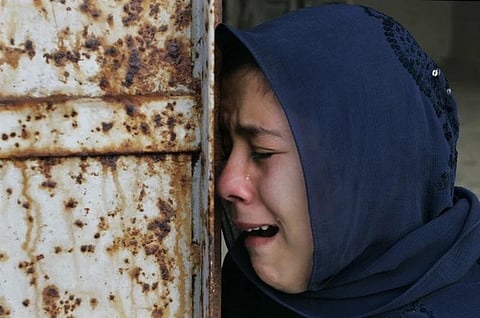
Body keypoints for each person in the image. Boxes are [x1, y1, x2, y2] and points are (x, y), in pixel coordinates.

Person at [215, 4, 480, 318]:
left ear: (369, 171)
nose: (226, 184)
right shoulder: (240, 293)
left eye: (262, 152)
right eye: (225, 149)